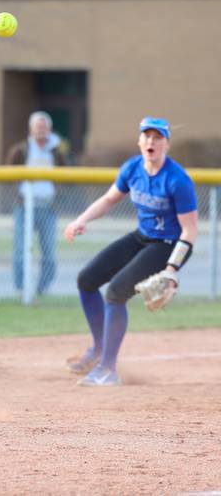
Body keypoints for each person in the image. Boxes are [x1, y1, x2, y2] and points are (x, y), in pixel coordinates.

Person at [64, 117, 197, 387]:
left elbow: (190, 231)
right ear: (139, 141)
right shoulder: (132, 169)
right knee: (86, 280)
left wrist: (171, 270)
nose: (151, 141)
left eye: (158, 137)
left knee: (116, 292)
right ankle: (99, 350)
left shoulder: (177, 180)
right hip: (142, 237)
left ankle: (108, 369)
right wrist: (82, 220)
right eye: (147, 136)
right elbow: (110, 199)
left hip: (168, 245)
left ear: (166, 144)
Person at [4, 111, 68, 296]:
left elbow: (67, 173)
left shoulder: (56, 151)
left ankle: (43, 288)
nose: (41, 130)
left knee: (49, 251)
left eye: (44, 127)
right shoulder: (21, 150)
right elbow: (7, 173)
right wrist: (16, 194)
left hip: (48, 207)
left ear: (49, 129)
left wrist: (57, 150)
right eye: (38, 127)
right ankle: (21, 287)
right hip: (24, 207)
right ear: (31, 129)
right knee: (20, 250)